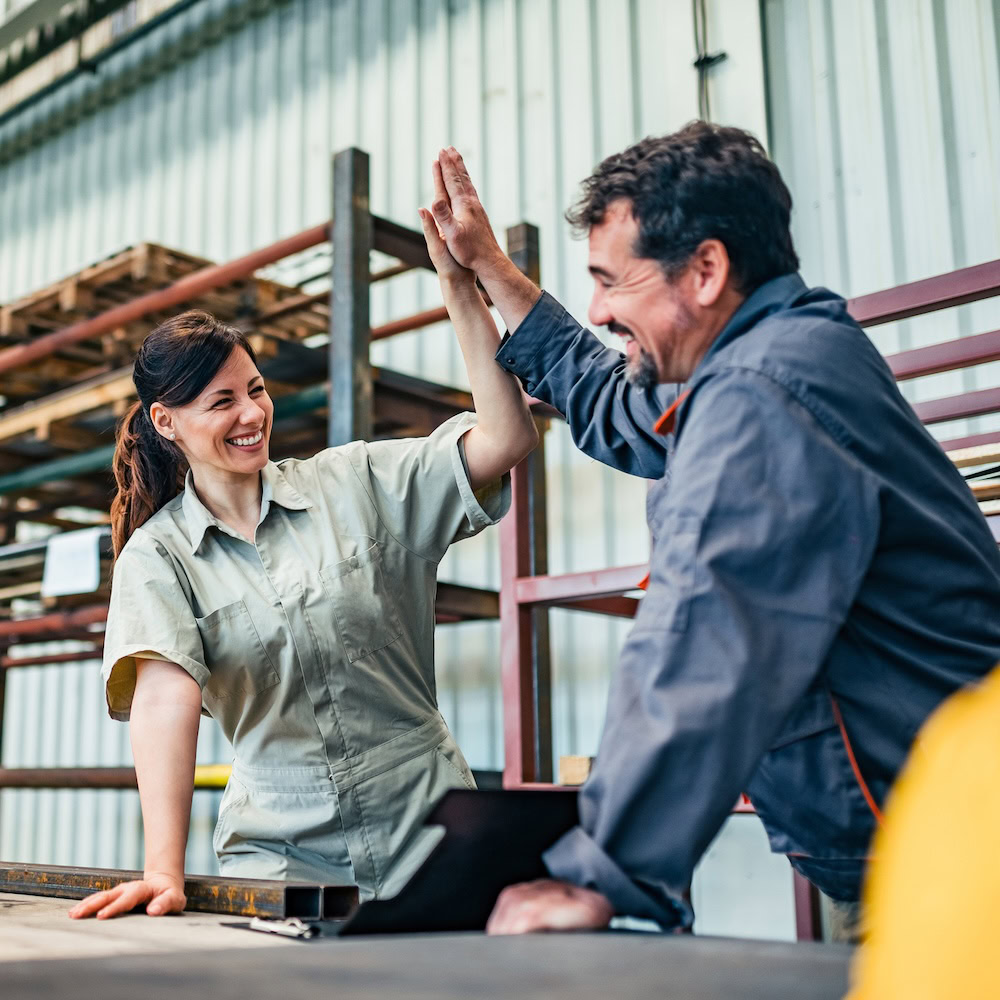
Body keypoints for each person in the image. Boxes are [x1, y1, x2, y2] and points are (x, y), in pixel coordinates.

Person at [422, 128, 1000, 937]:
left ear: (705, 271)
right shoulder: (765, 362)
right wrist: (491, 271)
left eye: (611, 281)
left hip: (960, 871)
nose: (598, 309)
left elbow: (707, 632)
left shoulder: (767, 393)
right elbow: (609, 399)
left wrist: (602, 875)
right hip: (926, 846)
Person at [69, 170, 538, 920]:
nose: (251, 413)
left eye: (253, 389)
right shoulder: (159, 559)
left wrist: (459, 286)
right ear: (166, 423)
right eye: (221, 402)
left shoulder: (355, 483)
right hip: (281, 862)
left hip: (429, 836)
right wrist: (162, 868)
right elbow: (165, 696)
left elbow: (507, 437)